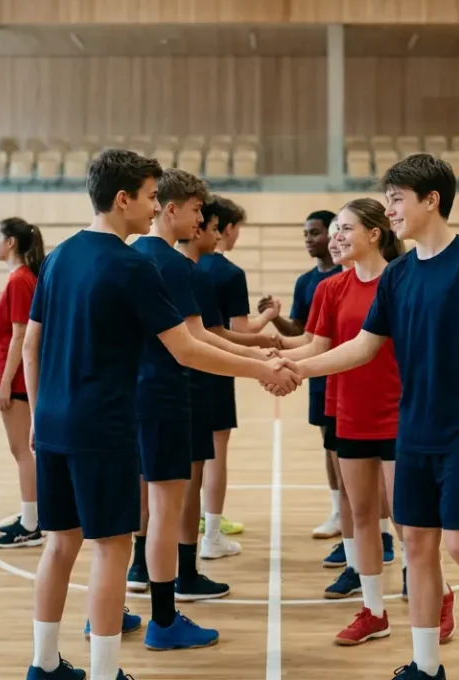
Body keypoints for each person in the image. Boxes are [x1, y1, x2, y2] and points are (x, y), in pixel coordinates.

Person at [22, 149, 298, 680]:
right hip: (102, 425)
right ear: (122, 198)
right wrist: (262, 370)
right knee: (109, 549)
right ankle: (105, 672)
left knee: (59, 544)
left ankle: (45, 664)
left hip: (55, 423)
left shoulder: (57, 257)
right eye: (151, 197)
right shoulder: (133, 264)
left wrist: (38, 415)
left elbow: (33, 345)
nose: (155, 208)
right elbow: (189, 349)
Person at [285, 154, 459, 680]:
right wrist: (297, 366)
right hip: (412, 429)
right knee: (417, 544)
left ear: (431, 200)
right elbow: (362, 347)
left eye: (398, 199)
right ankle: (426, 666)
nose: (390, 209)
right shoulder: (397, 276)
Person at [124, 168, 281, 650]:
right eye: (196, 209)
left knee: (134, 507)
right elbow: (197, 340)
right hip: (169, 395)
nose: (201, 218)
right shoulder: (173, 265)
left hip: (131, 396)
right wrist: (261, 363)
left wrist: (256, 354)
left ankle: (110, 611)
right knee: (167, 512)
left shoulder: (127, 257)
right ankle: (165, 620)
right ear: (171, 208)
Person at [280, 198, 414, 646]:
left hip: (399, 413)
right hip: (350, 412)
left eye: (345, 229)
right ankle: (373, 611)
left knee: (405, 517)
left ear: (375, 234)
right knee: (361, 515)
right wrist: (273, 360)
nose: (336, 237)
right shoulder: (329, 289)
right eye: (333, 229)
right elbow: (316, 348)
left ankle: (435, 589)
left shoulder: (403, 280)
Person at [180, 199, 279, 569]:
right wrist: (269, 322)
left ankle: (175, 543)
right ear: (225, 228)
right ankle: (210, 534)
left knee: (177, 466)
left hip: (179, 373)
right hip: (213, 373)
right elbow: (236, 332)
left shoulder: (180, 266)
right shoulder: (223, 273)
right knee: (213, 455)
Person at [259, 210, 342, 540]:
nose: (309, 239)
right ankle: (340, 511)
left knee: (351, 452)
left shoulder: (347, 276)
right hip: (318, 375)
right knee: (329, 445)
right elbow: (305, 332)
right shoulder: (306, 282)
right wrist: (275, 320)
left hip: (345, 373)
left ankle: (370, 527)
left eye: (315, 232)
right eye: (305, 233)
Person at [0, 217, 46, 549]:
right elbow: (12, 335)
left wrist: (4, 385)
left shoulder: (20, 280)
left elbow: (20, 337)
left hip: (15, 380)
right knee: (25, 452)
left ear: (11, 242)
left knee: (22, 453)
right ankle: (32, 517)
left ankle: (31, 524)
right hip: (16, 376)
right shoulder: (25, 279)